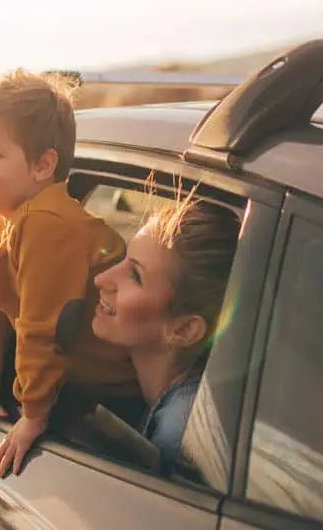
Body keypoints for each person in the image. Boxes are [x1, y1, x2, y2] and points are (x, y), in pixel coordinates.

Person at [0, 68, 140, 478]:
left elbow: (43, 326)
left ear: (42, 166)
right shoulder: (3, 222)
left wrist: (33, 414)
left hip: (114, 396)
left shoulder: (46, 224)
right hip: (76, 388)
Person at [91, 197, 240, 475]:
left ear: (183, 329)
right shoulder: (187, 404)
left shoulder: (178, 438)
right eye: (123, 260)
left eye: (135, 276)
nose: (102, 279)